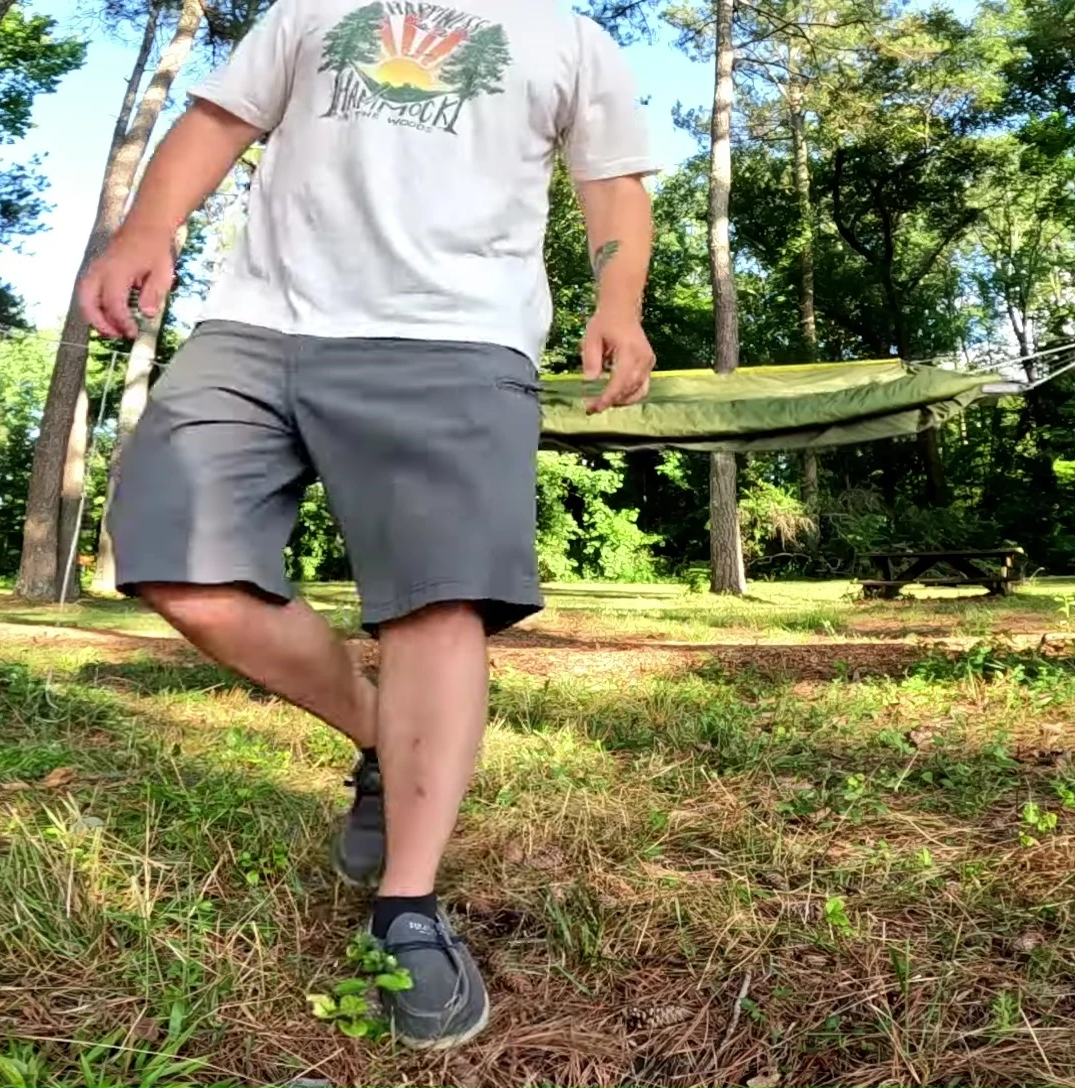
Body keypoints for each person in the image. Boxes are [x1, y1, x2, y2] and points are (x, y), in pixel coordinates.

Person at [76, 0, 657, 1050]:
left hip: (457, 336)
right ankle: (385, 739)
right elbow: (216, 119)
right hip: (261, 322)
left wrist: (619, 299)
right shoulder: (311, 6)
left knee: (437, 601)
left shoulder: (571, 37)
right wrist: (148, 230)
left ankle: (410, 905)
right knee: (176, 555)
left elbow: (611, 185)